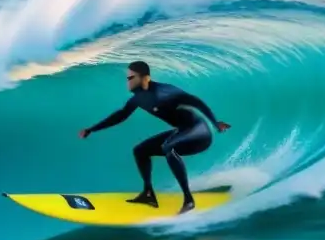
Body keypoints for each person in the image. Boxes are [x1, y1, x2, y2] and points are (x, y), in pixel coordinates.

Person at [79, 61, 230, 214]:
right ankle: (148, 194)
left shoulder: (165, 92)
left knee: (168, 146)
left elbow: (196, 101)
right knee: (140, 150)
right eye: (127, 78)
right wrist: (92, 129)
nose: (127, 82)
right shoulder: (138, 99)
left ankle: (188, 200)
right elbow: (121, 115)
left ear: (145, 79)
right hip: (183, 131)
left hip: (200, 132)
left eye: (131, 78)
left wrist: (215, 123)